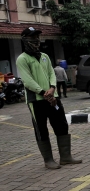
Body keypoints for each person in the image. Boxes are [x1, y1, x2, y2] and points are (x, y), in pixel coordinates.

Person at [16, 27, 81, 169]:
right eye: (32, 37)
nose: (36, 40)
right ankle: (48, 160)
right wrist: (44, 93)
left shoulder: (45, 56)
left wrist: (52, 89)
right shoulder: (22, 59)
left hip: (53, 97)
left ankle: (65, 157)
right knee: (41, 129)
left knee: (61, 125)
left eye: (37, 37)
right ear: (25, 39)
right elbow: (27, 80)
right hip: (36, 100)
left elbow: (52, 74)